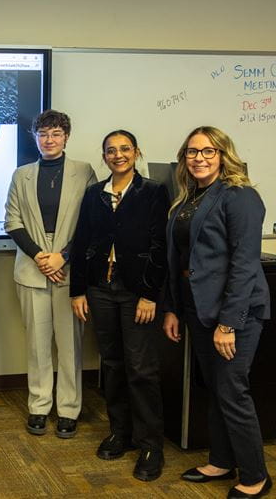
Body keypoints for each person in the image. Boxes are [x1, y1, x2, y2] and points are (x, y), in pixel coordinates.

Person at [163, 126, 271, 499]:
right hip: (197, 307)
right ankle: (221, 460)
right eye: (192, 152)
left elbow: (243, 265)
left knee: (232, 391)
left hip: (235, 313)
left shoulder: (239, 196)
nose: (199, 158)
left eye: (208, 151)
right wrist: (174, 309)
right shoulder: (188, 198)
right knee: (216, 388)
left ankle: (256, 474)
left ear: (223, 154)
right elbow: (178, 260)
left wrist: (229, 323)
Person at [69, 129, 169, 481]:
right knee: (111, 364)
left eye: (125, 149)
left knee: (141, 367)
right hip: (100, 287)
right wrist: (77, 291)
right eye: (111, 150)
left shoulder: (154, 192)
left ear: (137, 152)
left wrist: (149, 294)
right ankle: (121, 433)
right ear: (104, 156)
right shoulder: (95, 194)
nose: (118, 155)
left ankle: (150, 445)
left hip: (135, 291)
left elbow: (160, 246)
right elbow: (82, 242)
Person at [4, 109, 96, 439]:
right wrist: (41, 257)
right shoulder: (21, 174)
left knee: (70, 345)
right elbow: (12, 221)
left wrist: (64, 256)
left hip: (69, 271)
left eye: (56, 133)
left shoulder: (84, 172)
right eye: (43, 134)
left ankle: (69, 408)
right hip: (32, 270)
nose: (49, 139)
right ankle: (39, 406)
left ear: (66, 136)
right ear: (35, 138)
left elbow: (90, 222)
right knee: (37, 345)